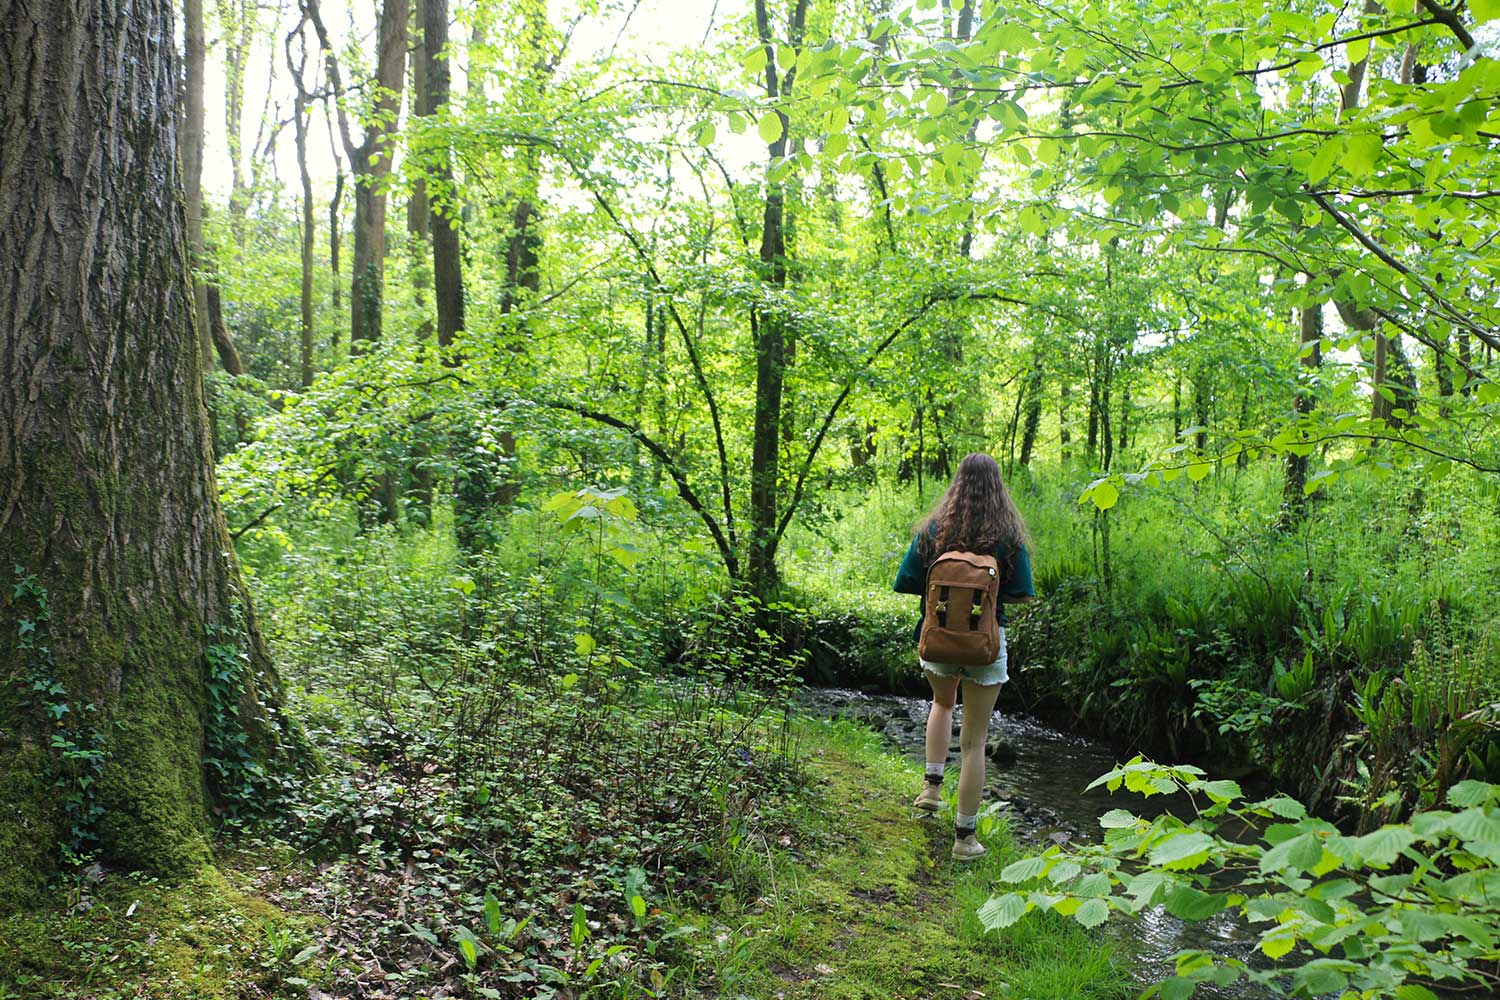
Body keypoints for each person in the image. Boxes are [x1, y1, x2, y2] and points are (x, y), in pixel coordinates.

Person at [892, 453, 1034, 861]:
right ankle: (964, 839)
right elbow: (1021, 592)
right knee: (974, 743)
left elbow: (906, 582)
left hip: (936, 638)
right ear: (997, 486)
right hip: (985, 645)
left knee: (940, 703)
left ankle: (931, 791)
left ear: (957, 483)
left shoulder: (936, 527)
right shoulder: (1007, 533)